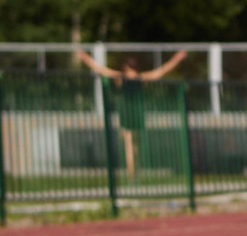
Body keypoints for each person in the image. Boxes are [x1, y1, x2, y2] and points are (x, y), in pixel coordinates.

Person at [73, 47, 191, 178]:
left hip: (126, 112)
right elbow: (161, 71)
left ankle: (132, 175)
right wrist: (177, 58)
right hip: (138, 112)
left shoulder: (120, 77)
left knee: (129, 145)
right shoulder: (141, 78)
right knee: (135, 145)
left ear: (125, 67)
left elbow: (101, 69)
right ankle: (135, 172)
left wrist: (85, 58)